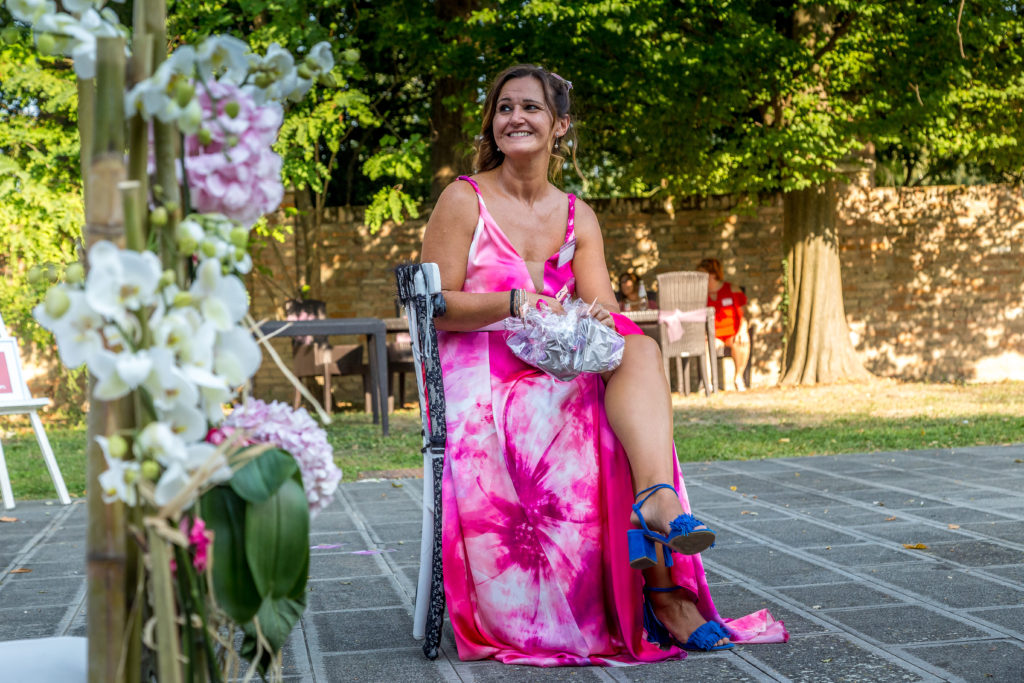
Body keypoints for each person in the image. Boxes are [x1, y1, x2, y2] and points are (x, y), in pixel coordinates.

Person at [421, 64, 785, 666]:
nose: (515, 117)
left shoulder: (577, 214)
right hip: (483, 375)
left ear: (560, 125)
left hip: (559, 369)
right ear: (492, 123)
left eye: (531, 107)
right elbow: (435, 307)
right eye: (505, 107)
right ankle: (663, 590)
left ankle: (657, 504)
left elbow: (606, 312)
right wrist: (515, 302)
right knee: (616, 420)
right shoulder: (464, 199)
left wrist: (587, 322)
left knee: (638, 351)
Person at [696, 258, 751, 391]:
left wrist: (742, 331)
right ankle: (707, 384)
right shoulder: (700, 294)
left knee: (742, 342)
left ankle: (738, 378)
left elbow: (745, 314)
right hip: (713, 335)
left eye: (702, 274)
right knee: (706, 346)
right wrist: (706, 334)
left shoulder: (732, 289)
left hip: (733, 333)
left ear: (713, 274)